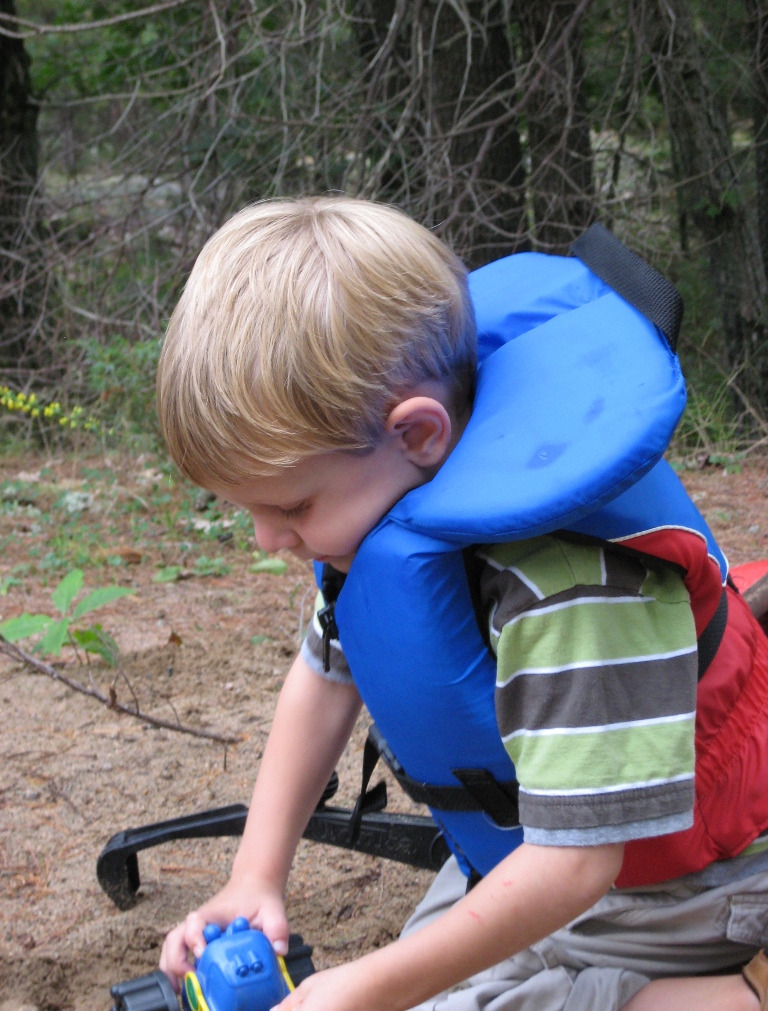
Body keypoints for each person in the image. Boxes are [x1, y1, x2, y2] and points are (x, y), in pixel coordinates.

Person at [155, 196, 768, 1011]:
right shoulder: (386, 524)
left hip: (693, 890)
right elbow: (324, 675)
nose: (269, 540)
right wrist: (254, 878)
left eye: (292, 507)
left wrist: (367, 985)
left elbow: (579, 865)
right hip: (535, 860)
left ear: (418, 433)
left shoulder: (573, 590)